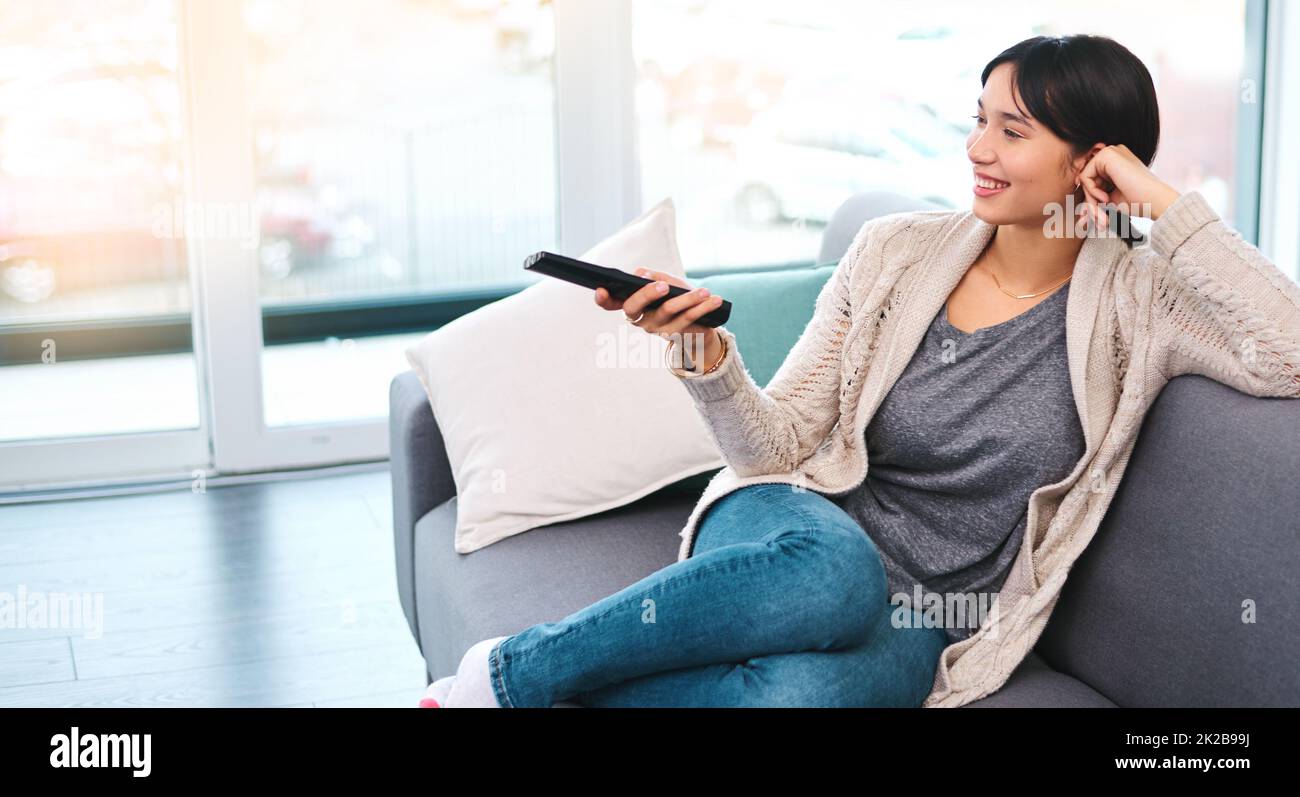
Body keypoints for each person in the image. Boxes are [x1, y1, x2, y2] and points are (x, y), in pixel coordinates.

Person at [421, 34, 1300, 708]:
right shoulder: (895, 253)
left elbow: (1288, 349)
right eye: (978, 117)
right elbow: (775, 446)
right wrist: (705, 356)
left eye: (1012, 130)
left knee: (795, 697)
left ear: (1092, 161)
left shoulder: (1144, 303)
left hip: (930, 609)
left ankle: (527, 691)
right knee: (832, 577)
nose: (976, 149)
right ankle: (508, 672)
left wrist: (1160, 201)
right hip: (795, 526)